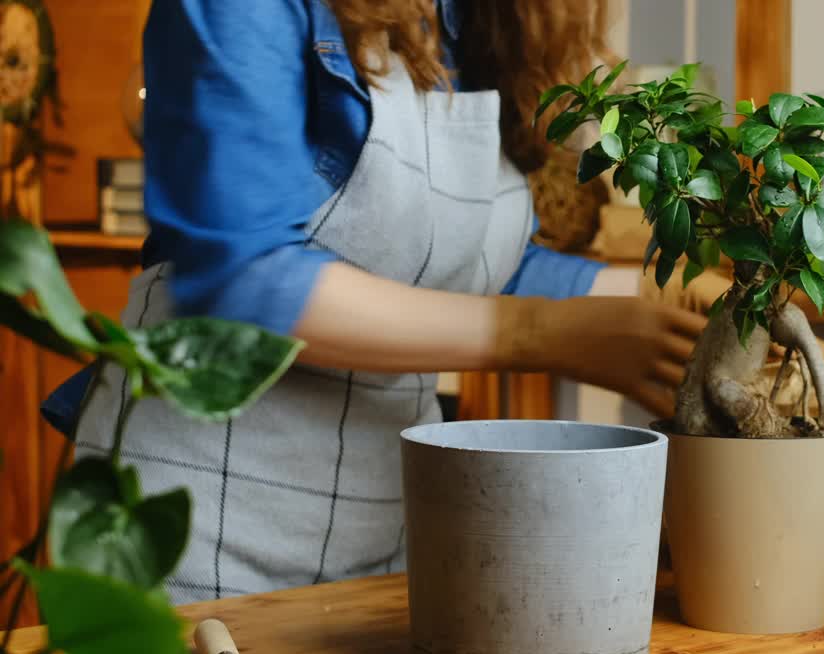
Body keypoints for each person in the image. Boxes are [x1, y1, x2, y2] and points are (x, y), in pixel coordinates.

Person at [53, 0, 705, 604]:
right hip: (196, 531)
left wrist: (681, 294)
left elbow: (482, 263)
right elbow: (247, 272)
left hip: (380, 538)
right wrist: (535, 333)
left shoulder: (474, 18)